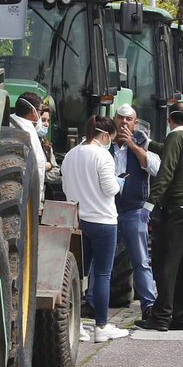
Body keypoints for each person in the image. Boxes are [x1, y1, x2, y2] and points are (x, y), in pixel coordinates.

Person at [61, 115, 130, 342]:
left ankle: (77, 325)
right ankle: (101, 326)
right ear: (103, 135)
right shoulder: (103, 155)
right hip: (102, 220)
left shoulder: (70, 155)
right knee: (102, 274)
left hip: (77, 220)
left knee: (78, 276)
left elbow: (65, 186)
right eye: (110, 137)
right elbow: (110, 189)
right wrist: (120, 182)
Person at [140, 104, 183, 331]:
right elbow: (170, 150)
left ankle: (161, 317)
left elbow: (166, 171)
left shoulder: (175, 138)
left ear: (170, 119)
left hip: (175, 208)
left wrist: (150, 202)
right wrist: (148, 144)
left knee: (166, 264)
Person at [110, 104, 160, 317]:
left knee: (140, 260)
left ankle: (148, 304)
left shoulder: (144, 143)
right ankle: (93, 302)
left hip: (133, 210)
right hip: (107, 209)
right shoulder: (105, 145)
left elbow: (155, 168)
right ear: (114, 120)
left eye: (128, 119)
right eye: (120, 119)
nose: (124, 123)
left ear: (135, 122)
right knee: (100, 261)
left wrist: (132, 144)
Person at [10, 91, 50, 177]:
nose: (40, 115)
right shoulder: (29, 133)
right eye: (40, 111)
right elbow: (38, 168)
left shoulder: (7, 124)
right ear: (33, 111)